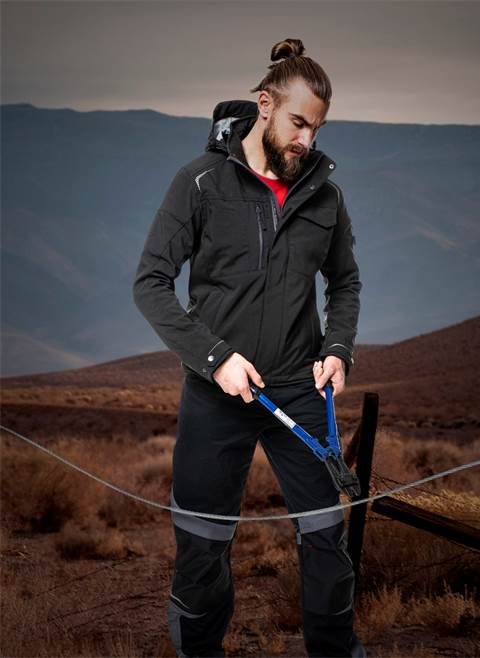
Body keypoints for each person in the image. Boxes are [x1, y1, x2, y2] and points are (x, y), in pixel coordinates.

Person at [133, 37, 366, 658]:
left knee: (326, 537)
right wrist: (215, 360)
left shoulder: (326, 196)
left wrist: (338, 349)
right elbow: (150, 283)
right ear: (265, 105)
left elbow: (344, 283)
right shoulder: (200, 182)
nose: (306, 140)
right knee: (202, 546)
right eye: (298, 123)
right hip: (216, 395)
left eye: (316, 129)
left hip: (299, 391)